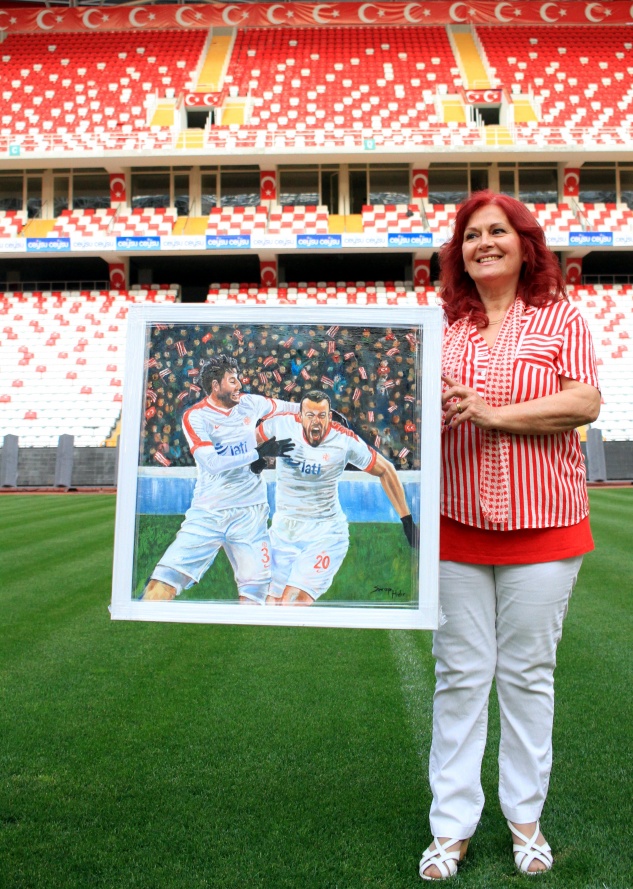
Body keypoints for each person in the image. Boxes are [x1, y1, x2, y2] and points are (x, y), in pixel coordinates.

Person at [419, 191, 601, 881]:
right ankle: (451, 825)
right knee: (459, 677)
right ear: (458, 253)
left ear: (526, 244)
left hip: (545, 524)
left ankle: (525, 816)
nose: (484, 243)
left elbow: (583, 401)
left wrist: (492, 413)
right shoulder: (439, 323)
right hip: (455, 522)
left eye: (498, 231)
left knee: (527, 675)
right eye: (471, 235)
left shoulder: (560, 317)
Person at [142, 354, 298, 605]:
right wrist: (258, 453)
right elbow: (212, 463)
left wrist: (325, 413)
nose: (239, 386)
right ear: (216, 386)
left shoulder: (250, 403)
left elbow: (292, 409)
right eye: (233, 381)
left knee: (255, 595)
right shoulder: (195, 416)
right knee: (161, 584)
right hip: (209, 511)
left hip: (250, 512)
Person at [256, 390, 416, 606]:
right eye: (310, 415)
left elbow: (386, 469)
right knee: (270, 604)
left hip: (325, 533)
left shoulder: (343, 440)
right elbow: (242, 445)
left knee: (291, 603)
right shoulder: (280, 425)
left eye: (322, 416)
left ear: (329, 417)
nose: (316, 421)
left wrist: (407, 521)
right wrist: (259, 453)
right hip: (282, 531)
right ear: (300, 416)